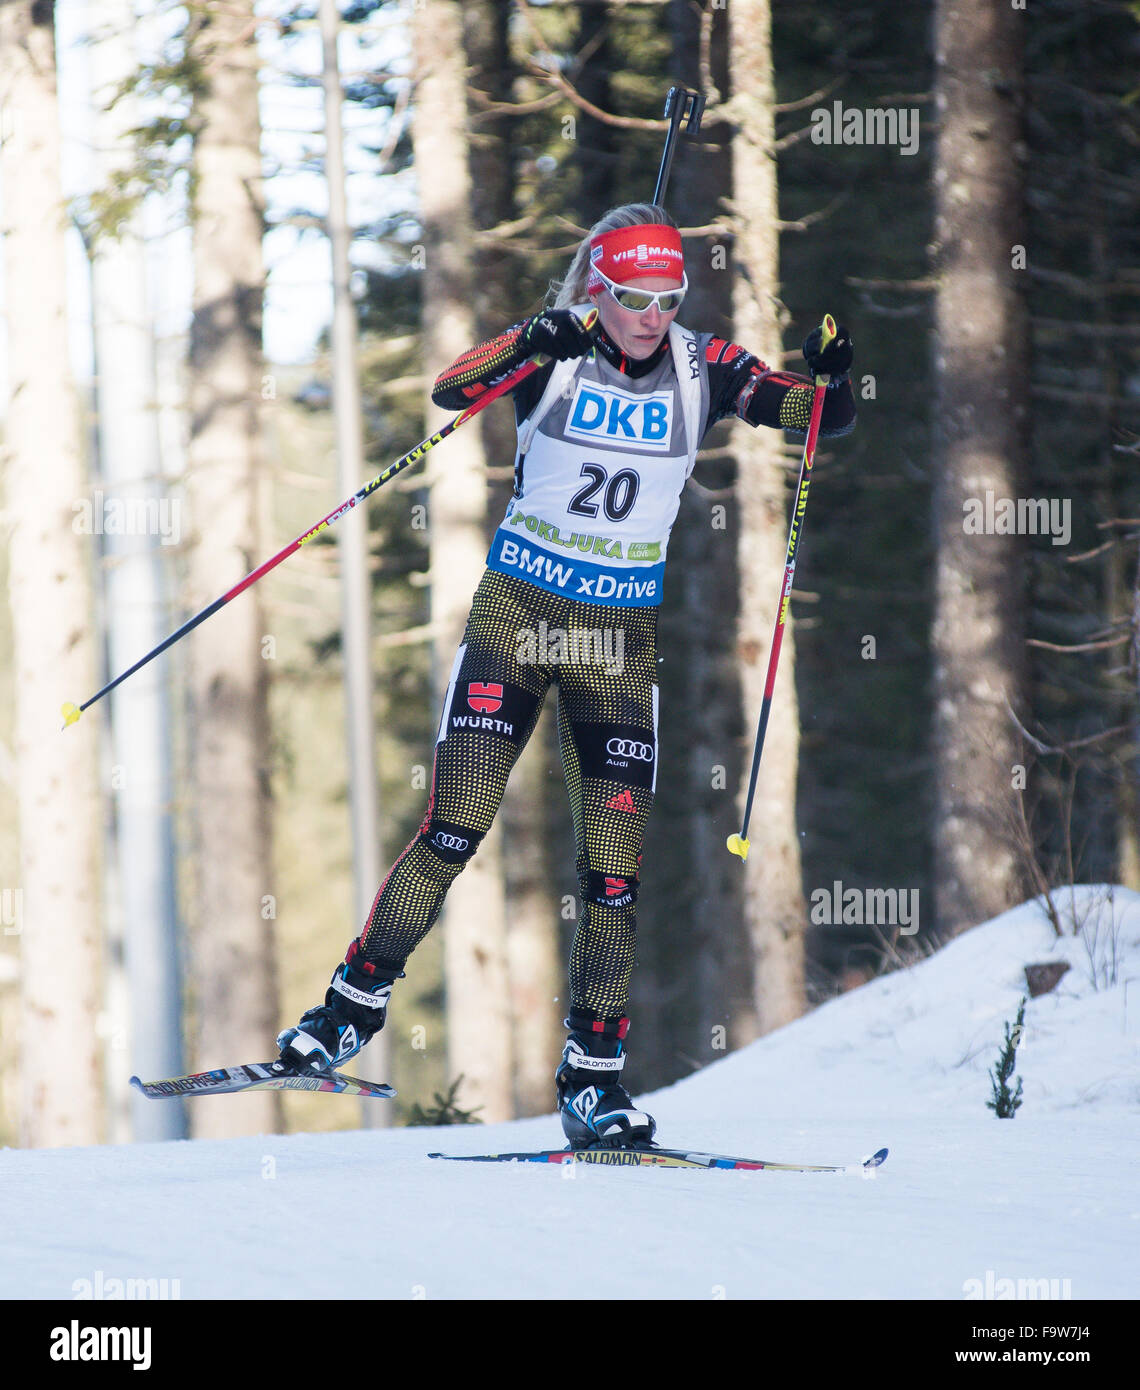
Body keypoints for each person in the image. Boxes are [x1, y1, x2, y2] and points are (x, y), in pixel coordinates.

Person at [277, 202, 856, 1149]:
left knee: (615, 874)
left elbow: (810, 416)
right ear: (600, 288)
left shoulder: (700, 367)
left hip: (617, 642)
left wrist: (832, 378)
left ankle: (592, 1080)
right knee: (453, 829)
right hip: (518, 617)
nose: (651, 316)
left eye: (667, 298)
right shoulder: (558, 347)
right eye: (633, 297)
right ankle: (347, 1012)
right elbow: (449, 388)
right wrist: (522, 340)